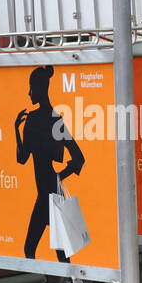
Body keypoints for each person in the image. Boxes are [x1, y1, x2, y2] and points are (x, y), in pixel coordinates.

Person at [15, 65, 84, 261]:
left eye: (31, 88)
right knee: (59, 255)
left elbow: (22, 158)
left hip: (50, 196)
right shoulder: (53, 119)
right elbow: (78, 159)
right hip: (49, 194)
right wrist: (58, 176)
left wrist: (17, 131)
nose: (29, 93)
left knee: (35, 250)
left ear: (39, 88)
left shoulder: (39, 120)